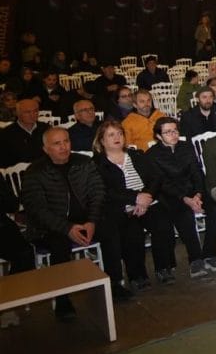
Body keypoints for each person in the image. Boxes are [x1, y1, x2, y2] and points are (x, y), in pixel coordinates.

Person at [21, 128, 131, 320]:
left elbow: (98, 193)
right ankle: (63, 300)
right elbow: (37, 209)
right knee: (59, 244)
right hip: (52, 226)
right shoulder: (35, 172)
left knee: (111, 230)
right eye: (57, 144)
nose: (63, 147)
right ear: (46, 149)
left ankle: (114, 283)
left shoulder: (84, 162)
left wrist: (92, 221)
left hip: (86, 219)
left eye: (66, 141)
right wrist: (67, 228)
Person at [93, 120, 176, 289]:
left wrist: (146, 198)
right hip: (122, 208)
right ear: (102, 141)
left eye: (120, 134)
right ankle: (137, 275)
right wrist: (135, 198)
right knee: (132, 233)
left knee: (162, 223)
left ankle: (163, 268)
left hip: (147, 202)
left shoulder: (136, 155)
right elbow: (106, 191)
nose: (117, 137)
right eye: (111, 135)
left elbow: (156, 178)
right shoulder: (98, 164)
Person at [147, 117, 216, 276]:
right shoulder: (152, 154)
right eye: (168, 132)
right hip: (171, 196)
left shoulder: (186, 147)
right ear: (158, 136)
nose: (173, 135)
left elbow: (197, 172)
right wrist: (185, 198)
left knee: (214, 209)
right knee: (184, 215)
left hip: (193, 191)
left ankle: (209, 254)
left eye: (175, 130)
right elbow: (162, 183)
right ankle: (195, 259)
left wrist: (197, 193)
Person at [0, 98, 49, 166]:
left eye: (35, 111)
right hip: (19, 173)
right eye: (27, 112)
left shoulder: (46, 129)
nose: (32, 115)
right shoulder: (6, 134)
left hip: (45, 171)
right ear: (17, 113)